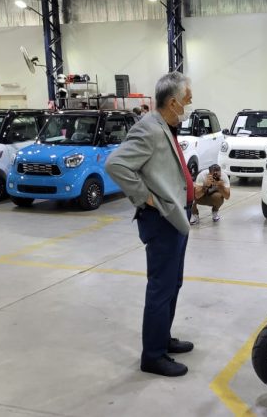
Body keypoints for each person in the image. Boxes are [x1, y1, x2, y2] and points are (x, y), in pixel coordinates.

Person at [105, 72, 195, 377]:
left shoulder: (165, 126)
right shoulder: (149, 129)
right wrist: (146, 198)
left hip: (176, 220)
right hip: (161, 222)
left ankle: (162, 339)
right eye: (186, 98)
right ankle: (153, 355)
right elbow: (115, 164)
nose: (190, 102)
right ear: (172, 102)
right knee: (161, 288)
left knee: (173, 284)